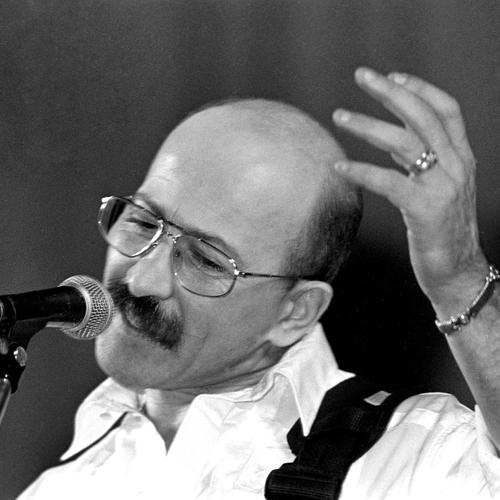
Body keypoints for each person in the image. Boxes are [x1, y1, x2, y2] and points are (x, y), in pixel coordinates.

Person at [18, 68, 500, 499]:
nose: (142, 279)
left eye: (205, 260)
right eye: (143, 223)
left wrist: (458, 279)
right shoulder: (61, 485)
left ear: (295, 312)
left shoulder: (409, 460)